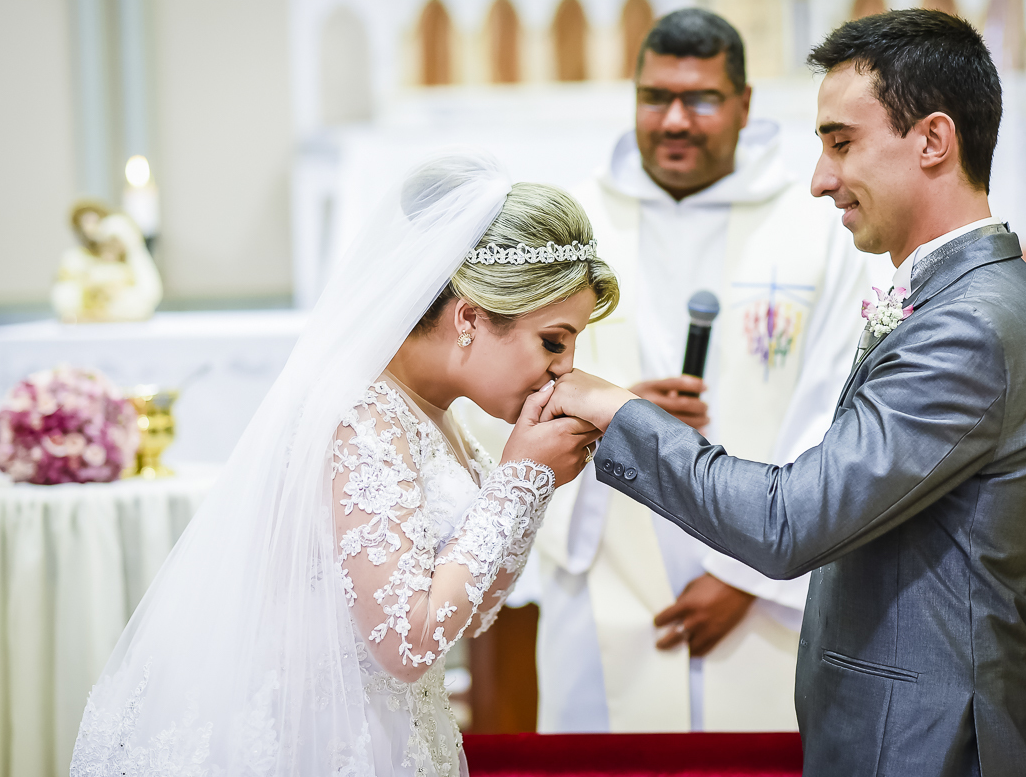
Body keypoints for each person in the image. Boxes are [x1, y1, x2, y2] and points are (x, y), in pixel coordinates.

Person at [537, 10, 1026, 776]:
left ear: (932, 140)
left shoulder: (969, 326)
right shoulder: (956, 299)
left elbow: (793, 521)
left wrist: (615, 409)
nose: (821, 179)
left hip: (928, 740)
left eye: (841, 142)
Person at [69, 153, 618, 777]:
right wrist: (519, 482)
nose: (564, 369)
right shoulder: (361, 414)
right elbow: (407, 642)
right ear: (469, 317)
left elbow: (476, 606)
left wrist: (533, 481)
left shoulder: (440, 416)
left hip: (393, 728)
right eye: (553, 340)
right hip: (318, 737)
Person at [536, 8, 878, 733]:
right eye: (655, 97)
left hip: (767, 583)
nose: (675, 120)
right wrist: (616, 408)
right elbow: (511, 381)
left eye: (702, 99)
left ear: (745, 105)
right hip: (605, 569)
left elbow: (836, 405)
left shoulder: (816, 227)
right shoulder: (572, 224)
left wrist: (746, 574)